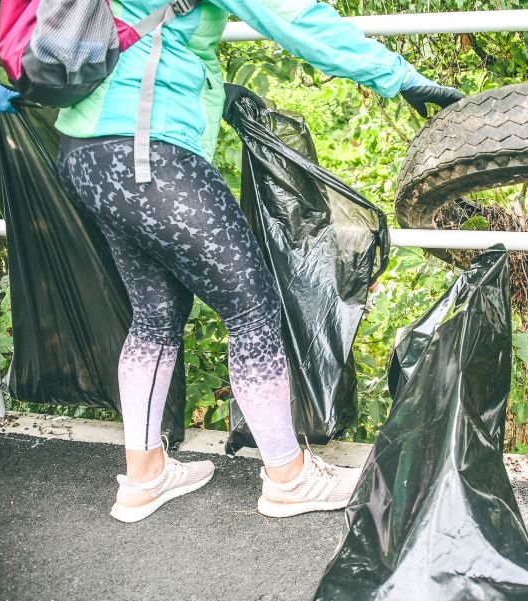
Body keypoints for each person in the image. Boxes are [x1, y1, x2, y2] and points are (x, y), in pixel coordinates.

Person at [54, 0, 462, 524]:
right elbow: (294, 18)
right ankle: (289, 479)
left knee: (156, 316)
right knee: (253, 310)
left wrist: (212, 91)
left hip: (85, 152)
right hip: (148, 150)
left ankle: (144, 475)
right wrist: (401, 77)